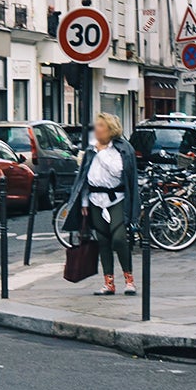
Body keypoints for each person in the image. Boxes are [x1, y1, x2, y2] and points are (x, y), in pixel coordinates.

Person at [61, 113, 140, 296]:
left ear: (110, 129)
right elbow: (85, 178)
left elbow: (117, 171)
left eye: (100, 126)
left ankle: (129, 280)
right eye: (96, 125)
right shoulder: (90, 150)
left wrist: (101, 152)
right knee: (103, 241)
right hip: (95, 200)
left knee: (119, 238)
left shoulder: (120, 149)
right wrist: (84, 202)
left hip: (117, 199)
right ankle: (109, 283)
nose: (96, 129)